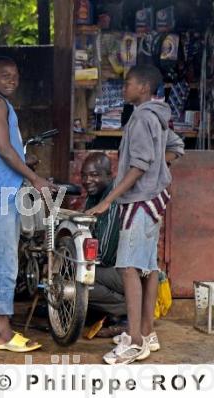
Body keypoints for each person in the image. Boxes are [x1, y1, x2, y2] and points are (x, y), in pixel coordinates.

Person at [86, 65, 184, 364]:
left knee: (129, 268)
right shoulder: (159, 115)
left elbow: (139, 165)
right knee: (149, 267)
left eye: (127, 83)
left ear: (143, 87)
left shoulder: (141, 118)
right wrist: (159, 170)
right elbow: (175, 148)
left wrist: (108, 200)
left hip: (139, 201)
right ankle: (147, 332)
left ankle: (134, 341)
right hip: (155, 198)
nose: (124, 87)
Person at [0, 56, 54, 352]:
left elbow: (8, 153)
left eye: (15, 76)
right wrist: (35, 177)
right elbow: (5, 150)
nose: (11, 80)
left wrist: (24, 161)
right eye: (4, 75)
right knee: (5, 262)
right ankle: (2, 333)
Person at [82, 152, 127, 334]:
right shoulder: (94, 196)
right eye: (84, 175)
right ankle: (115, 311)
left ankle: (129, 308)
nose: (87, 180)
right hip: (113, 271)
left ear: (109, 175)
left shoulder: (112, 201)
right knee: (74, 272)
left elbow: (106, 256)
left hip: (124, 273)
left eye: (94, 175)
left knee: (77, 279)